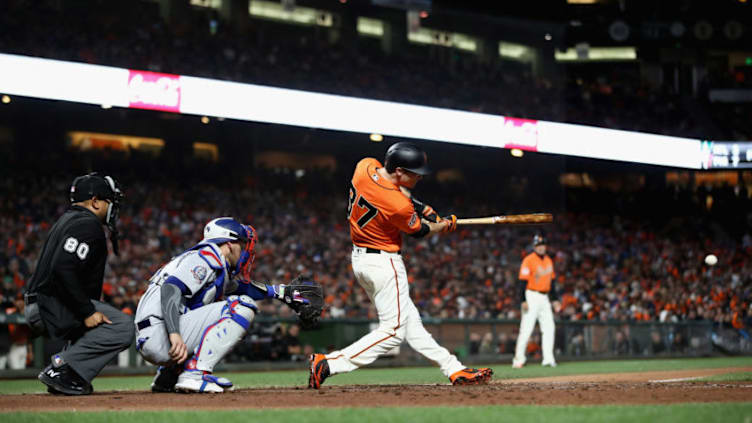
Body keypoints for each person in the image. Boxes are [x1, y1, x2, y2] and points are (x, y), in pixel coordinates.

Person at [308, 142, 493, 388]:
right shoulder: (397, 204)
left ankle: (454, 369)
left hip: (362, 260)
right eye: (414, 173)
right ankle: (329, 364)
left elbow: (397, 196)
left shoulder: (365, 166)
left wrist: (424, 208)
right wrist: (445, 225)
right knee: (394, 331)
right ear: (399, 171)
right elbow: (421, 230)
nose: (418, 177)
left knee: (410, 324)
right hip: (385, 262)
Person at [135, 217, 309, 393]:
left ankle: (168, 376)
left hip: (153, 333)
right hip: (161, 333)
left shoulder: (210, 262)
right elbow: (170, 289)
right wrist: (174, 333)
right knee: (241, 307)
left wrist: (279, 292)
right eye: (241, 244)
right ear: (229, 244)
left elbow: (241, 288)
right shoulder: (206, 257)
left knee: (228, 304)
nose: (244, 251)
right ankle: (195, 374)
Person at [23, 172, 133, 395]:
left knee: (97, 324)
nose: (113, 208)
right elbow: (62, 268)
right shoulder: (87, 224)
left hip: (43, 302)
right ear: (95, 201)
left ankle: (66, 376)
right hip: (50, 304)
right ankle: (62, 370)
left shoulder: (68, 220)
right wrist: (86, 311)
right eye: (109, 201)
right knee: (122, 327)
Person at [512, 234, 559, 368]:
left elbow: (553, 283)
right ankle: (518, 360)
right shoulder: (528, 260)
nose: (541, 247)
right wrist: (522, 300)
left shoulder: (549, 260)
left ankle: (548, 359)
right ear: (534, 247)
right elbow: (522, 282)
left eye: (542, 244)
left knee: (549, 327)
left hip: (545, 297)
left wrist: (555, 299)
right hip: (531, 295)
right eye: (538, 245)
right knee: (526, 329)